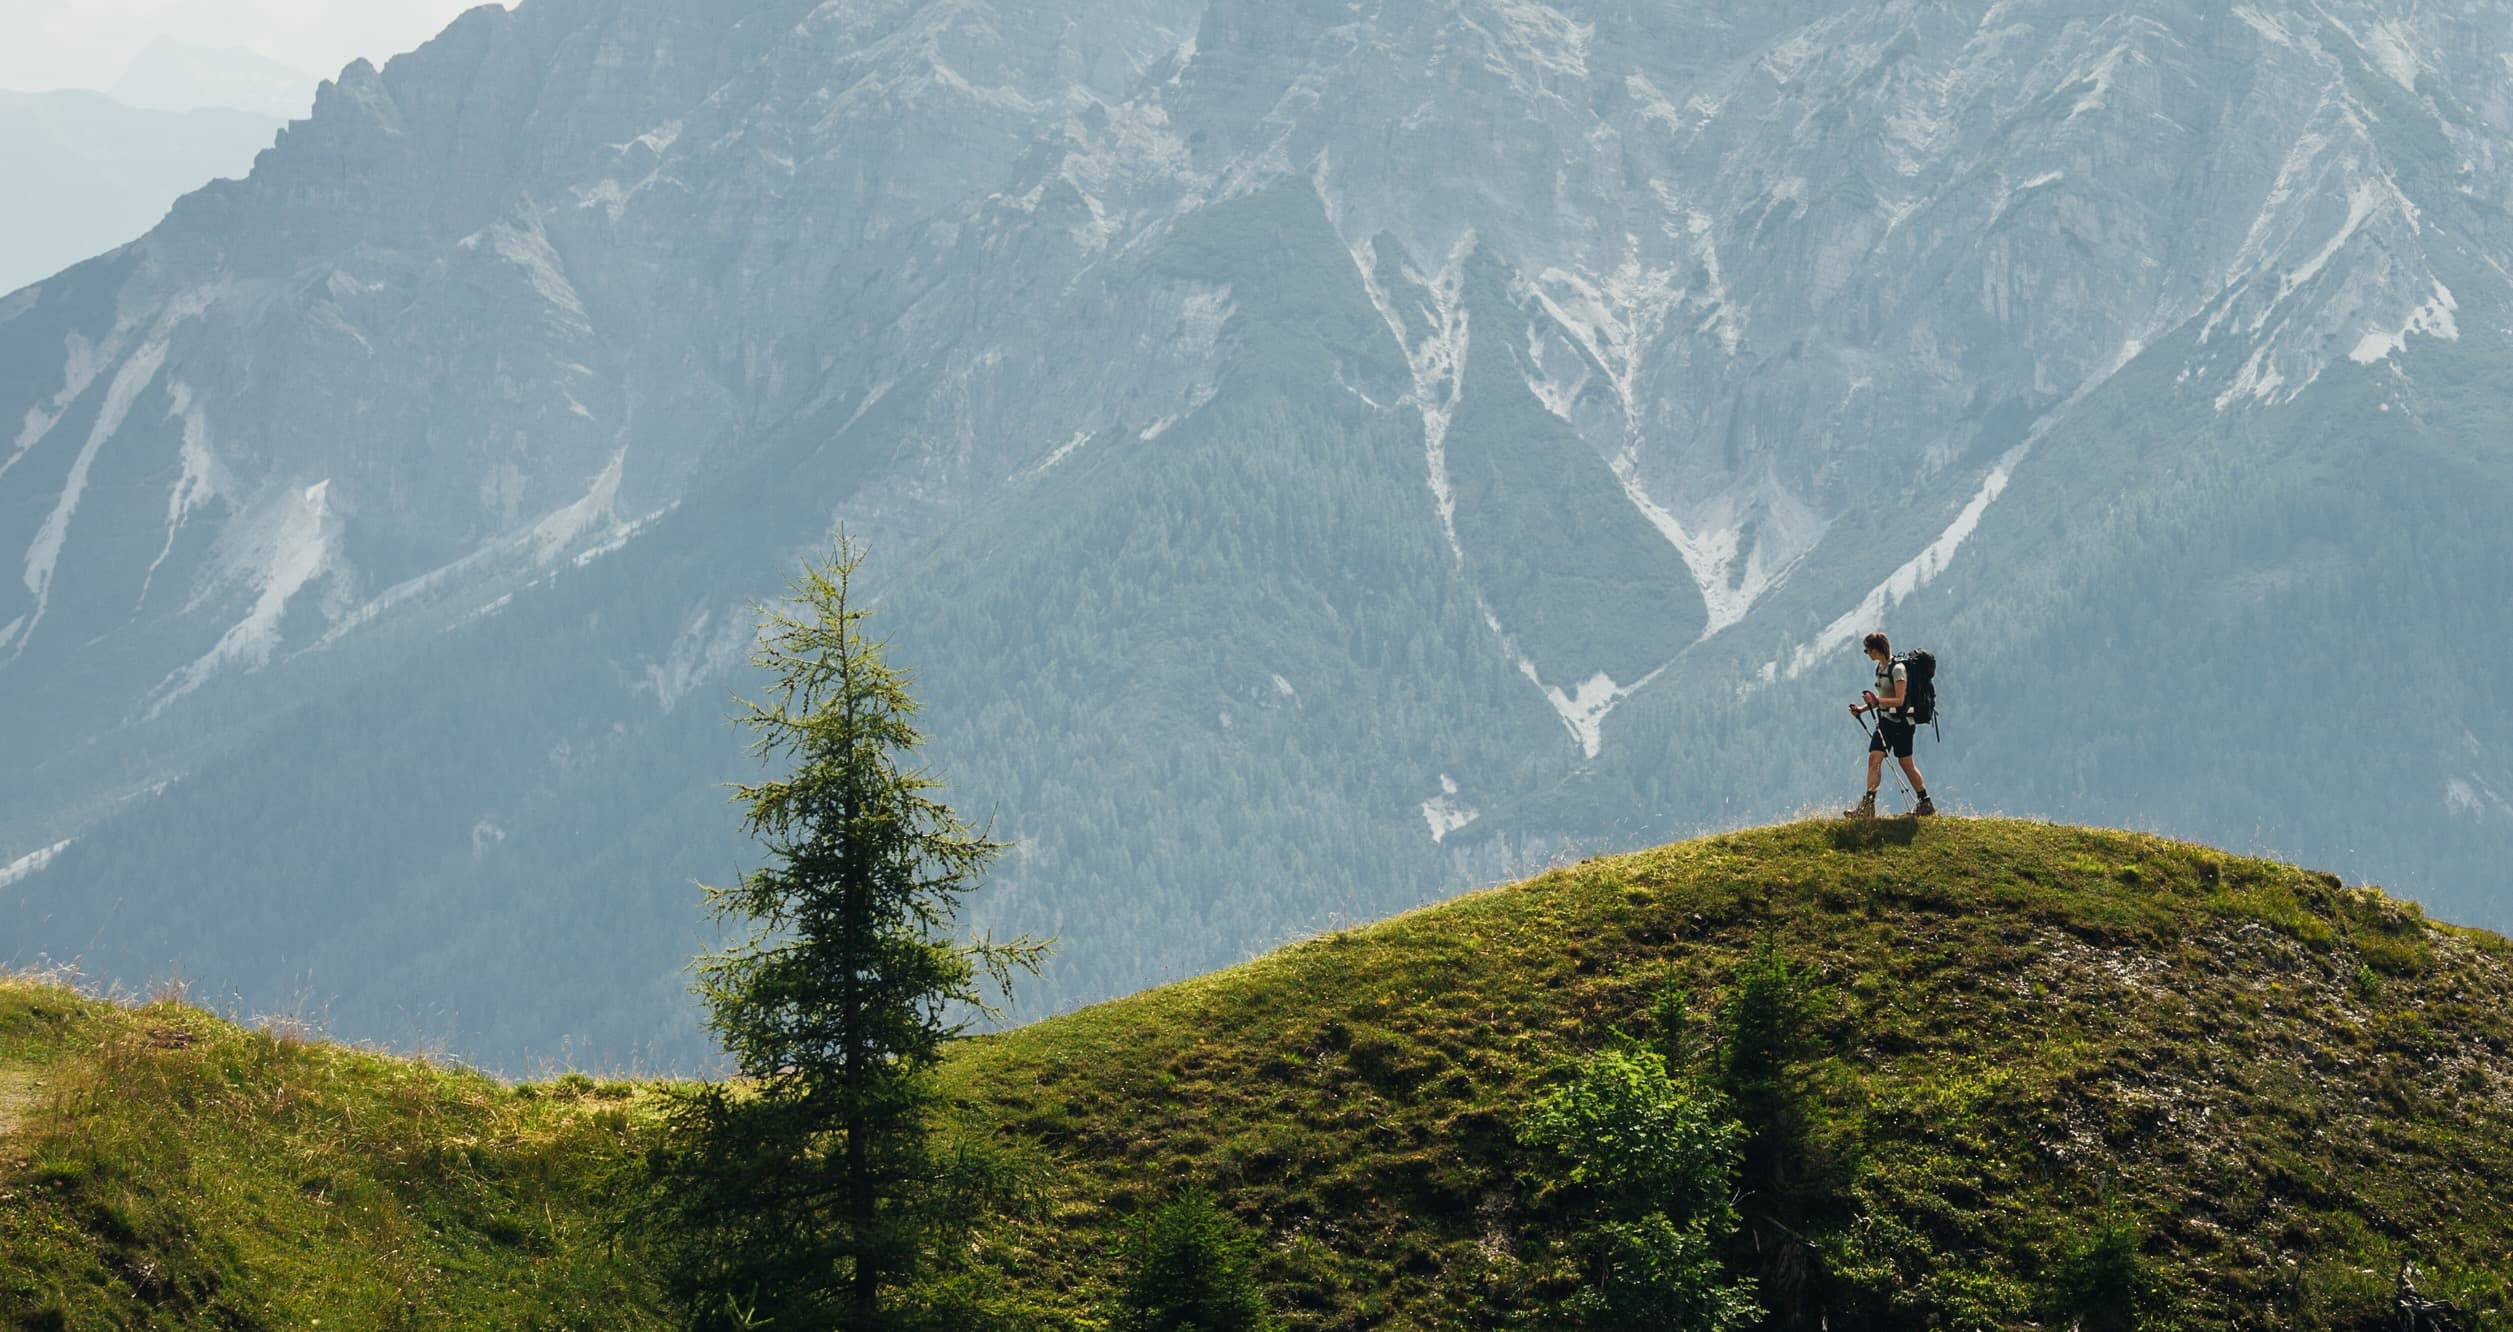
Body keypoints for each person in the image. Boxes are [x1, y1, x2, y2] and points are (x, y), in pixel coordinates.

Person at [1847, 631, 1933, 818]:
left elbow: (1900, 700)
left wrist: (1876, 700)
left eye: (1867, 650)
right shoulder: (1880, 667)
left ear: (1877, 650)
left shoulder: (1898, 669)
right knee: (1874, 760)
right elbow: (1883, 699)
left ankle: (1925, 802)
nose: (1866, 653)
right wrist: (1862, 709)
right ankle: (1868, 806)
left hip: (1902, 724)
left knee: (1905, 763)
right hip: (1885, 722)